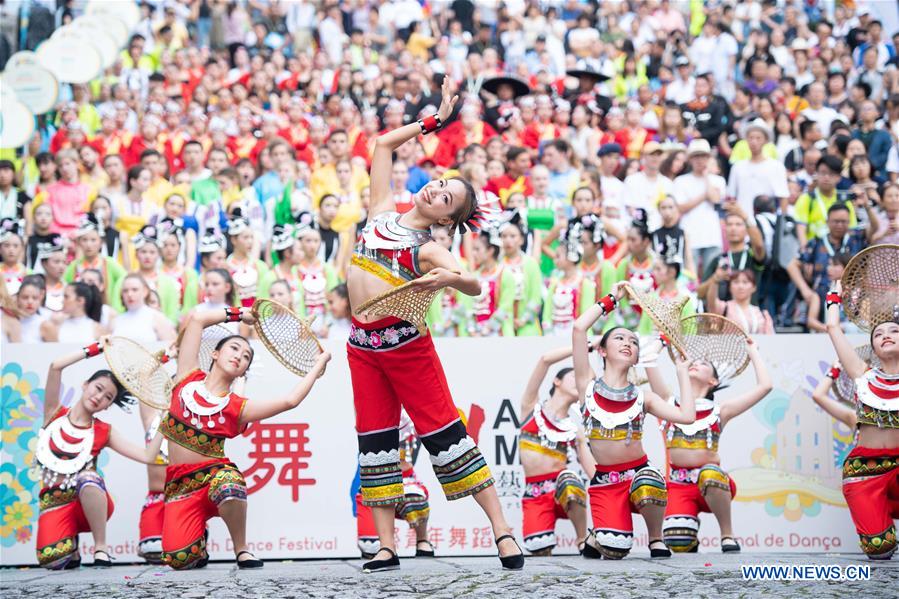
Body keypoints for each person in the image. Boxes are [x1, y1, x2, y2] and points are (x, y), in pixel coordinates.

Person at [345, 76, 523, 572]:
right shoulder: (381, 210)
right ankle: (386, 545)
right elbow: (382, 143)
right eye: (441, 184)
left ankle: (503, 532)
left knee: (446, 435)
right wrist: (431, 122)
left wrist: (448, 277)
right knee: (375, 441)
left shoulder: (429, 248)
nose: (436, 190)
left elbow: (472, 284)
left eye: (446, 198)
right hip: (362, 346)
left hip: (406, 347)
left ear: (447, 220)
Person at [160, 306, 331, 569]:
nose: (240, 356)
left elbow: (290, 400)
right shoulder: (186, 377)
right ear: (215, 354)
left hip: (213, 477)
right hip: (179, 486)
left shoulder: (236, 407)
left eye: (246, 356)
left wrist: (320, 363)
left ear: (244, 371)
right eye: (234, 348)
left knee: (230, 484)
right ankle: (197, 538)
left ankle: (242, 550)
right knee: (179, 558)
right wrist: (241, 315)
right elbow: (196, 319)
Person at [573, 282, 696, 559]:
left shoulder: (645, 397)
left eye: (633, 341)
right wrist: (612, 299)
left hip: (639, 475)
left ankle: (655, 538)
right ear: (602, 351)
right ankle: (598, 536)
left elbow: (687, 417)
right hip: (605, 481)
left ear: (637, 356)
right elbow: (579, 328)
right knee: (614, 550)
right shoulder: (587, 386)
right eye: (619, 338)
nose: (628, 343)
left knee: (651, 481)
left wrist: (682, 372)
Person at [34, 338, 164, 569]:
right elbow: (56, 365)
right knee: (52, 560)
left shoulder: (105, 431)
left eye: (108, 398)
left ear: (107, 407)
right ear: (86, 385)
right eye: (98, 388)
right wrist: (96, 349)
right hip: (54, 503)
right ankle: (70, 544)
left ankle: (101, 547)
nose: (99, 397)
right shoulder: (54, 414)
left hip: (89, 502)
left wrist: (167, 423)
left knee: (88, 477)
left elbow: (147, 456)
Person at [644, 338, 771, 553]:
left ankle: (727, 534)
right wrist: (662, 341)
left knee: (710, 474)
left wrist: (753, 351)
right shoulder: (668, 403)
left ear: (713, 381)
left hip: (712, 484)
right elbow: (648, 361)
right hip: (678, 485)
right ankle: (689, 535)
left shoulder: (720, 410)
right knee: (678, 542)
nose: (695, 363)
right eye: (694, 362)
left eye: (704, 364)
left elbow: (766, 386)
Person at [824, 281, 899, 560]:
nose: (886, 335)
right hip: (867, 471)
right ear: (873, 347)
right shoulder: (863, 376)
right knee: (879, 550)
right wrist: (834, 298)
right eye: (878, 334)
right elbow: (833, 329)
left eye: (894, 331)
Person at [519, 346, 593, 555]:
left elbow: (593, 473)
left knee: (570, 480)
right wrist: (584, 347)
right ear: (557, 381)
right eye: (573, 376)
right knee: (539, 550)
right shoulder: (531, 408)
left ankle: (582, 539)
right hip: (534, 494)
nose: (578, 381)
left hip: (562, 490)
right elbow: (544, 359)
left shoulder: (574, 429)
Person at [355, 409, 436, 559]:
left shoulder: (406, 416)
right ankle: (386, 547)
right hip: (374, 482)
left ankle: (422, 539)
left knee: (414, 497)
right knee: (370, 544)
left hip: (404, 480)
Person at [542, 226, 596, 337]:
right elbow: (547, 311)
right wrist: (548, 331)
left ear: (571, 256)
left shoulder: (585, 283)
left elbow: (587, 313)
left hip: (576, 332)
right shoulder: (555, 283)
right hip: (554, 333)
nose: (555, 259)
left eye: (558, 256)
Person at [63, 215, 126, 305]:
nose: (89, 245)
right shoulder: (74, 266)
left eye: (93, 240)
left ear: (101, 242)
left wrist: (115, 300)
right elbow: (64, 283)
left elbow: (124, 278)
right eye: (84, 240)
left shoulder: (109, 263)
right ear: (79, 242)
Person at [498, 215, 542, 337]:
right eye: (504, 236)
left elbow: (536, 296)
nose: (508, 240)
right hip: (503, 323)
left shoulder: (531, 263)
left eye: (512, 236)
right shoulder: (498, 266)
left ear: (522, 240)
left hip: (527, 324)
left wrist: (524, 319)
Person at [110, 274, 177, 344]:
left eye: (134, 289)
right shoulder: (115, 321)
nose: (129, 294)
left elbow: (171, 349)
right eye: (125, 291)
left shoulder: (157, 318)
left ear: (145, 291)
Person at [705, 269, 775, 335]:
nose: (740, 286)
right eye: (736, 282)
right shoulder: (724, 308)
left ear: (754, 287)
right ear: (730, 287)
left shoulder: (762, 314)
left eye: (745, 282)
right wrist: (715, 279)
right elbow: (711, 302)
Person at [40, 282, 107, 343]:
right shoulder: (54, 325)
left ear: (80, 301)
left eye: (66, 297)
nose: (62, 301)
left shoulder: (98, 329)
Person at [3, 275, 47, 342]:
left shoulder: (46, 325)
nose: (30, 302)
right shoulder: (8, 320)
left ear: (41, 298)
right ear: (17, 298)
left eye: (35, 298)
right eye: (25, 297)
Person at [0, 218, 28, 295]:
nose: (11, 250)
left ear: (22, 249)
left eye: (15, 246)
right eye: (6, 245)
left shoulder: (28, 273)